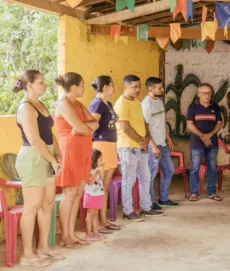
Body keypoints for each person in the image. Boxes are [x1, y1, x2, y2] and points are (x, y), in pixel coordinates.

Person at [14, 70, 64, 266]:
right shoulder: (25, 108)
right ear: (30, 85)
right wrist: (52, 160)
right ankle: (27, 253)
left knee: (48, 204)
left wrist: (58, 152)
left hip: (48, 154)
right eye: (41, 82)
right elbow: (35, 140)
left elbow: (49, 133)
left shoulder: (40, 104)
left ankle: (44, 246)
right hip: (33, 158)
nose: (45, 85)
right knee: (32, 207)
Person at [55, 72, 99, 248]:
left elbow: (94, 124)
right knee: (69, 195)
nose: (84, 87)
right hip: (71, 151)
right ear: (73, 87)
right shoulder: (63, 104)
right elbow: (83, 126)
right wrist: (85, 128)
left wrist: (85, 128)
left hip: (83, 151)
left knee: (78, 194)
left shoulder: (78, 104)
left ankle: (72, 234)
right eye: (82, 84)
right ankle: (65, 236)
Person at [114, 74, 164, 221]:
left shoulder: (136, 102)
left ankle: (146, 208)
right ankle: (127, 211)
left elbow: (144, 123)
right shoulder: (122, 103)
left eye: (139, 86)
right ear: (125, 87)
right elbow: (125, 127)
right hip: (128, 147)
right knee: (129, 180)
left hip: (141, 147)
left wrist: (147, 139)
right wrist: (141, 141)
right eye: (134, 87)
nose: (137, 89)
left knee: (146, 177)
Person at [88, 76, 121, 232]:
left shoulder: (107, 104)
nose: (114, 88)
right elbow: (92, 126)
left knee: (105, 185)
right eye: (112, 85)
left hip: (110, 145)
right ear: (106, 87)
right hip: (101, 145)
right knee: (100, 185)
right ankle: (98, 224)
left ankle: (104, 220)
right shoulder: (97, 104)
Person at [142, 77, 179, 210]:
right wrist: (153, 145)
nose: (162, 89)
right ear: (150, 88)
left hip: (162, 143)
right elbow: (145, 127)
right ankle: (151, 202)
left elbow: (161, 122)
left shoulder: (159, 102)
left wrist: (168, 138)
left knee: (169, 170)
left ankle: (163, 199)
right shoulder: (146, 104)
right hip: (154, 146)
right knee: (151, 175)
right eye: (159, 88)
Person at [187, 83, 223, 202]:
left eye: (208, 93)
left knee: (212, 168)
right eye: (203, 93)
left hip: (211, 142)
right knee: (194, 168)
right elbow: (190, 124)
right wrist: (203, 136)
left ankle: (212, 192)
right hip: (197, 142)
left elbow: (219, 123)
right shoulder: (192, 107)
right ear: (198, 94)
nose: (206, 96)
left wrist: (210, 135)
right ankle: (194, 193)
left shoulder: (215, 106)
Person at [83, 149, 107, 241]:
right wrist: (96, 172)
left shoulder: (98, 169)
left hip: (98, 193)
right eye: (99, 159)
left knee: (95, 213)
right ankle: (88, 234)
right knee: (90, 214)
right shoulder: (89, 170)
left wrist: (101, 171)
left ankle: (95, 232)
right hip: (90, 194)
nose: (101, 161)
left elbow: (101, 179)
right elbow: (89, 182)